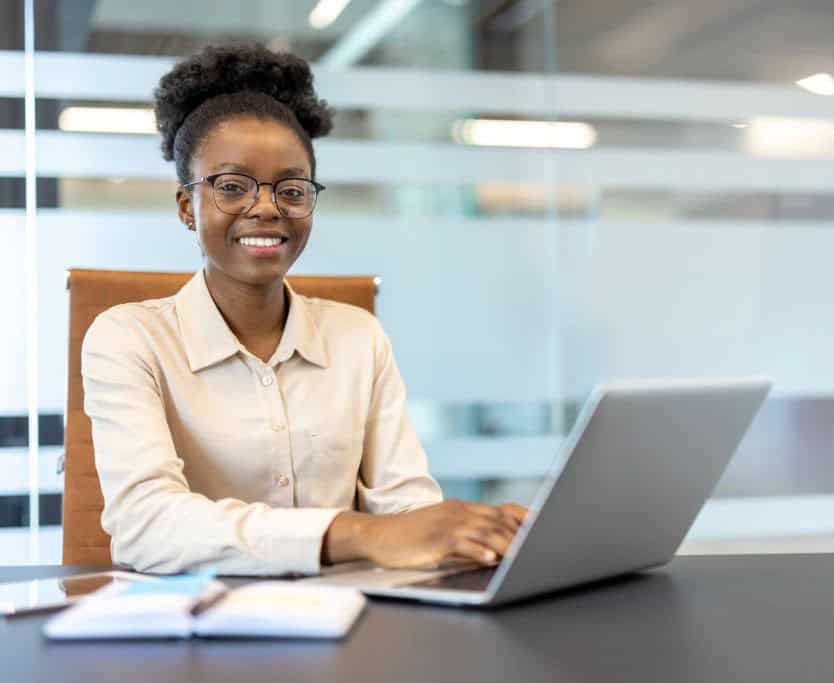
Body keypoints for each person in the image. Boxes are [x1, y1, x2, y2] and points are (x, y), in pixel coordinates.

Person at [82, 43, 527, 576]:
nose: (267, 207)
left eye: (292, 189)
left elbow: (405, 505)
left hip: (351, 625)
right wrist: (354, 533)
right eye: (231, 187)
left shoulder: (358, 337)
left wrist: (472, 535)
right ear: (186, 206)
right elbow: (144, 527)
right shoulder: (128, 338)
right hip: (197, 632)